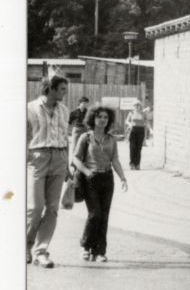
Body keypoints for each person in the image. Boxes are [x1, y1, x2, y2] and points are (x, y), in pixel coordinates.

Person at [72, 104, 128, 262]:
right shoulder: (85, 137)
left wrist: (123, 177)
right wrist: (86, 171)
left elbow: (115, 159)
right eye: (99, 117)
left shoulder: (111, 139)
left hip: (107, 179)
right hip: (90, 178)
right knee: (94, 214)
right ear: (93, 118)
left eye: (105, 117)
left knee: (104, 216)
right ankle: (85, 246)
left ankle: (100, 252)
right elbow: (75, 158)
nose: (102, 120)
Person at [26, 74, 72, 268]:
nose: (65, 92)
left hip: (60, 158)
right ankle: (25, 245)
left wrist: (67, 165)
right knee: (35, 207)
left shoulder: (64, 110)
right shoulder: (30, 108)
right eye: (62, 89)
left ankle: (41, 251)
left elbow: (65, 137)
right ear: (50, 89)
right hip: (38, 158)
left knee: (52, 208)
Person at [124, 102, 150, 169]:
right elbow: (126, 121)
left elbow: (146, 123)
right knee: (132, 147)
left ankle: (137, 164)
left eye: (138, 106)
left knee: (139, 148)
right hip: (133, 130)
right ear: (134, 106)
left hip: (141, 131)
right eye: (136, 106)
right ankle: (132, 163)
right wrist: (129, 124)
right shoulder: (131, 113)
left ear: (140, 106)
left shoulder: (143, 113)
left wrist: (149, 132)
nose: (137, 107)